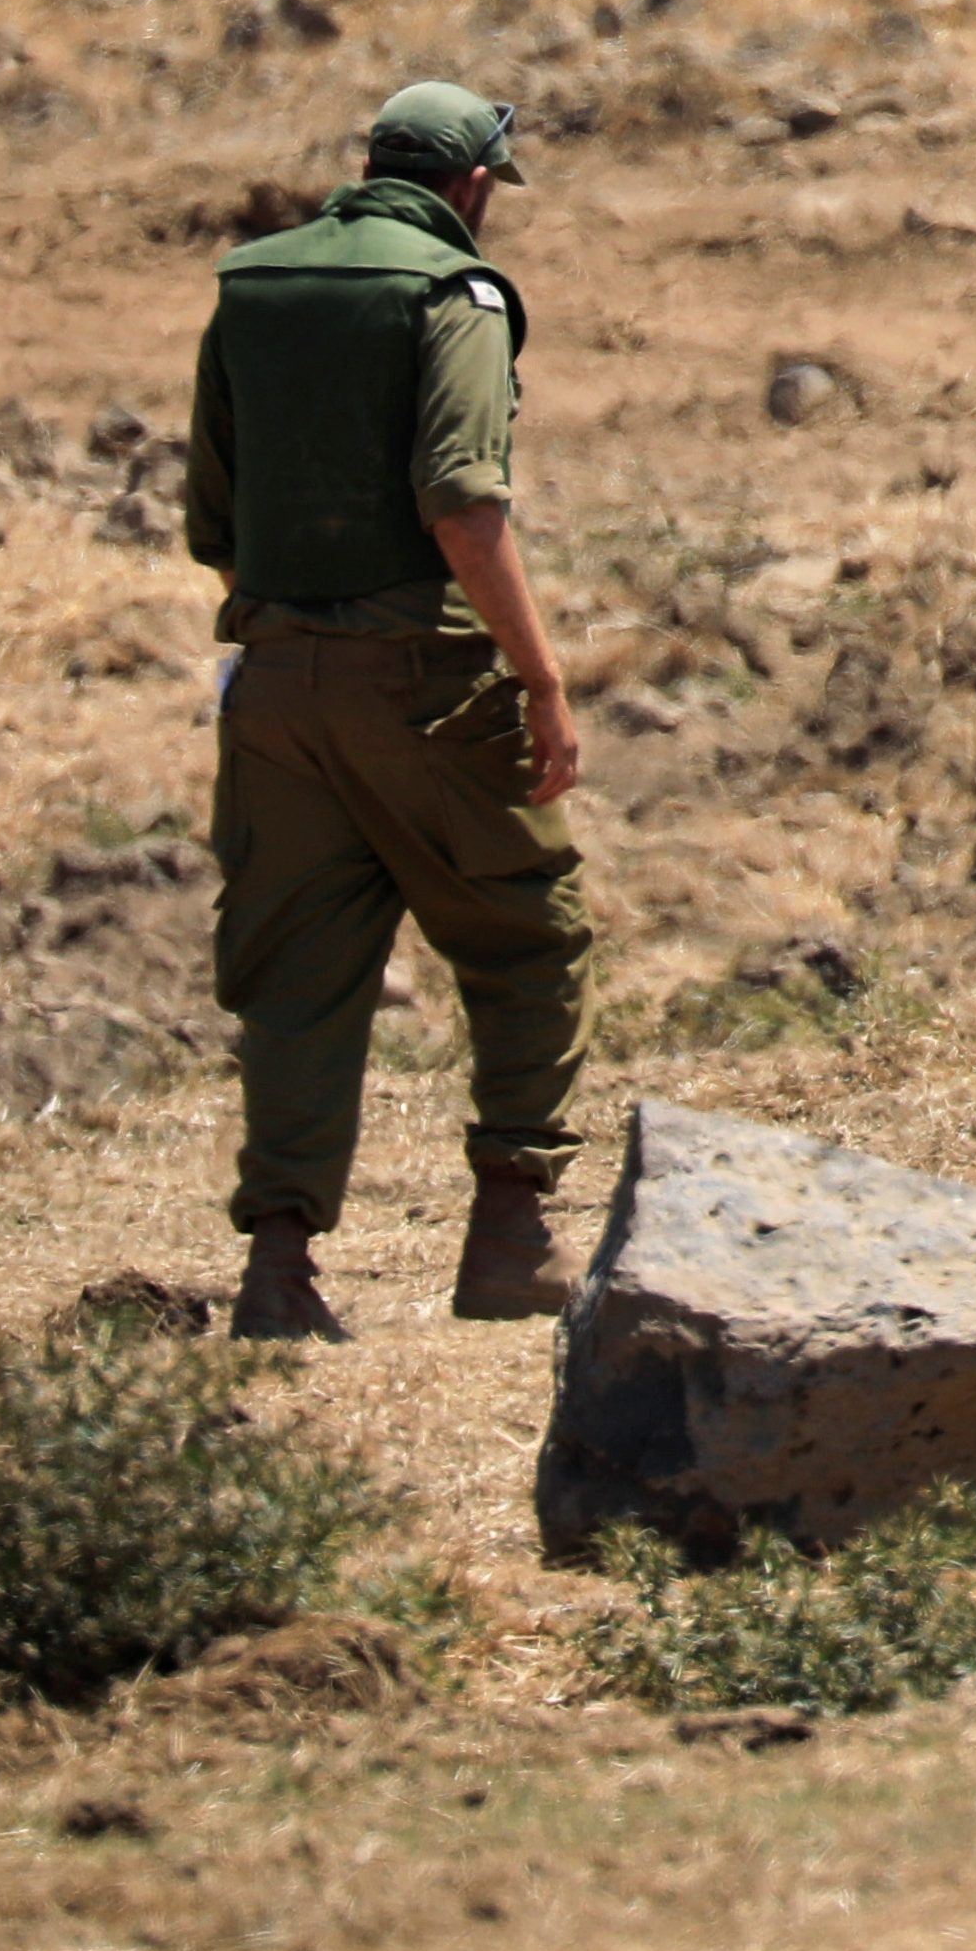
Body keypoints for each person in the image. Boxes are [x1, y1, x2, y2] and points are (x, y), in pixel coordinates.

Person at [183, 81, 592, 1342]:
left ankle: (281, 1269)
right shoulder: (451, 293)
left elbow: (213, 519)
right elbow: (464, 502)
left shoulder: (251, 285)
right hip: (423, 678)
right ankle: (511, 1235)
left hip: (275, 685)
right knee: (530, 935)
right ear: (473, 188)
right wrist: (540, 676)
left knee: (299, 977)